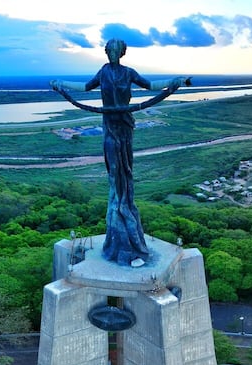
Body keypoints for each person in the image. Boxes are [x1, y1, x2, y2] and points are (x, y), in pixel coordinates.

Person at [50, 39, 191, 266]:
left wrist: (174, 83)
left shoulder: (129, 73)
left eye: (115, 51)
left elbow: (151, 86)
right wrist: (61, 85)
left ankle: (127, 220)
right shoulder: (103, 72)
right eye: (108, 51)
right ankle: (117, 216)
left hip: (124, 123)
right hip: (109, 125)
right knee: (114, 171)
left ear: (122, 53)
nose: (111, 54)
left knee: (125, 169)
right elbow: (85, 87)